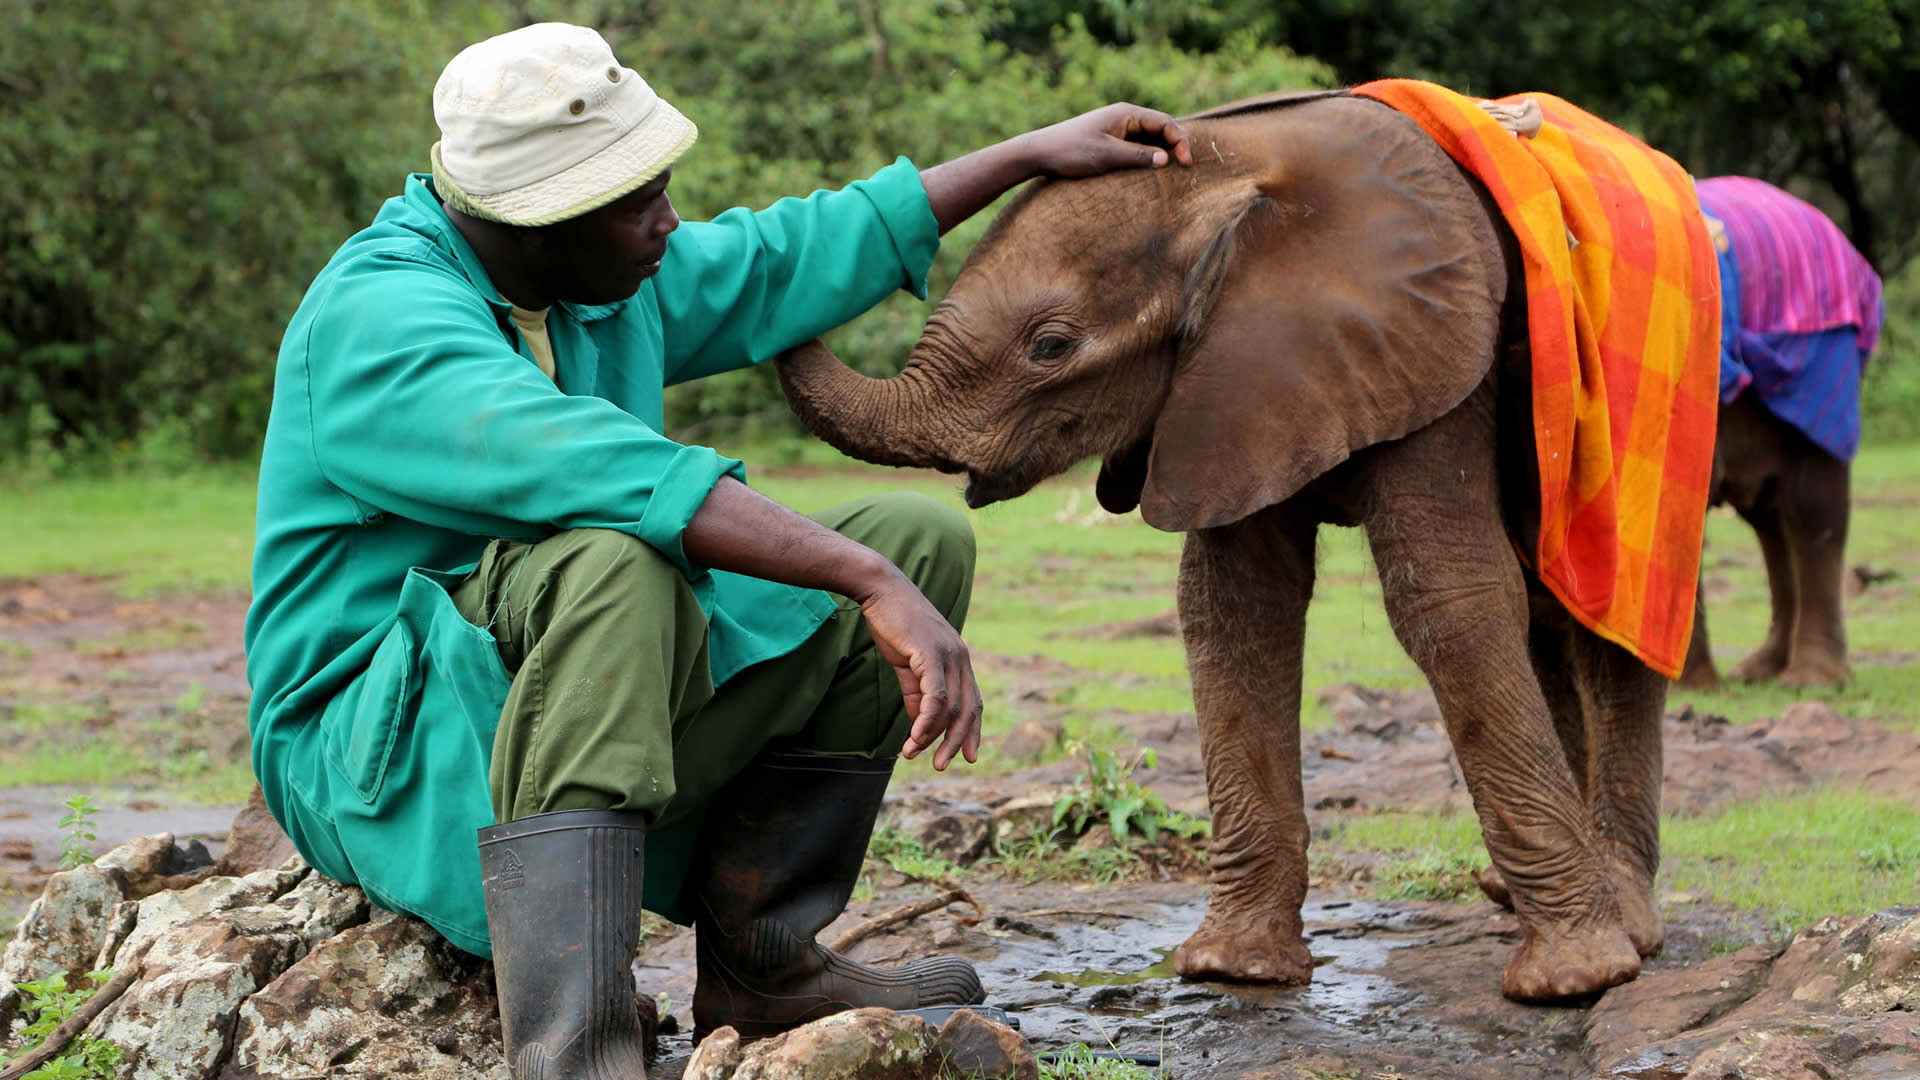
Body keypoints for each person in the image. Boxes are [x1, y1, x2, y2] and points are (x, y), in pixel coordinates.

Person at [243, 21, 1193, 1078]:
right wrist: (856, 575)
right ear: (538, 222)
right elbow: (595, 468)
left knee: (915, 536)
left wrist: (1028, 152)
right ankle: (573, 1048)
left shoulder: (592, 283)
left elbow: (778, 259)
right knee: (618, 561)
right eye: (636, 201)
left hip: (543, 702)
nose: (668, 222)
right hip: (380, 753)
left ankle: (764, 960)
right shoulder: (384, 320)